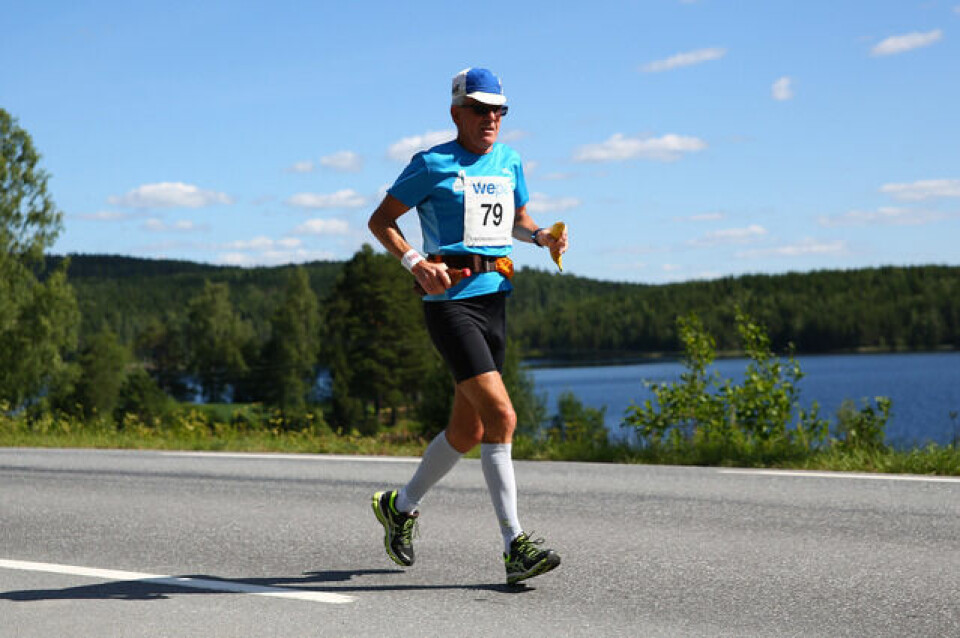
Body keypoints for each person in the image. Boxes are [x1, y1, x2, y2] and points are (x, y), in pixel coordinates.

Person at [367, 67, 568, 585]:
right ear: (456, 111)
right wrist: (416, 262)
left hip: (496, 300)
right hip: (450, 303)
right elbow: (381, 220)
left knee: (468, 429)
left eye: (499, 110)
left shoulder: (510, 160)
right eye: (481, 109)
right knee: (502, 416)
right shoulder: (431, 163)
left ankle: (400, 506)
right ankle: (514, 545)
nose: (492, 119)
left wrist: (542, 235)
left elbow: (516, 220)